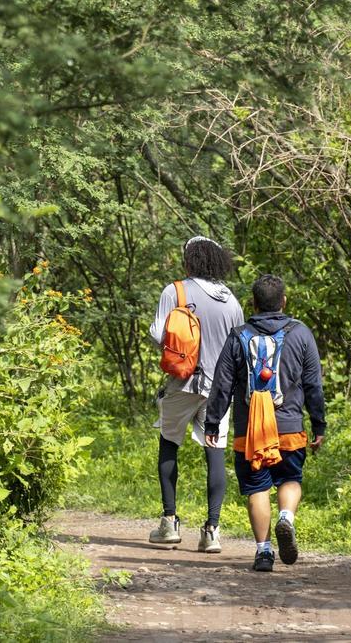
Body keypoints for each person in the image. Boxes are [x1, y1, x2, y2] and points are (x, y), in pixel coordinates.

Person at [205, 273, 326, 572]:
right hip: (289, 428)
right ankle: (286, 517)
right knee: (290, 480)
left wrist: (212, 423)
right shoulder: (301, 334)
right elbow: (313, 384)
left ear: (253, 303)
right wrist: (318, 424)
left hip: (250, 433)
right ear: (283, 302)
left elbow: (221, 384)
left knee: (257, 487)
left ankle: (263, 552)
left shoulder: (238, 336)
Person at [149, 235, 244, 552]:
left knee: (169, 442)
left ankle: (169, 523)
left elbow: (158, 333)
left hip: (183, 382)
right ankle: (212, 531)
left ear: (189, 260)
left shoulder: (174, 291)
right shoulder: (230, 300)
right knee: (214, 452)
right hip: (220, 389)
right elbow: (239, 345)